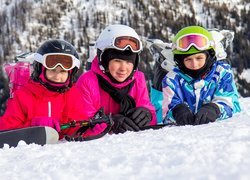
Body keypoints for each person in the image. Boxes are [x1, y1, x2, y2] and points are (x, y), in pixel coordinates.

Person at [76, 24, 156, 135]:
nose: (123, 69)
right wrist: (110, 123)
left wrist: (147, 114)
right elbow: (81, 124)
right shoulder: (87, 82)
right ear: (104, 60)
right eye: (117, 61)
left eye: (129, 62)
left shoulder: (138, 79)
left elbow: (147, 108)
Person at [0, 39, 89, 139]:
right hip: (30, 152)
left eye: (63, 71)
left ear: (70, 73)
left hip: (64, 153)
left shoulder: (73, 95)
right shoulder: (22, 96)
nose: (57, 76)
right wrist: (33, 125)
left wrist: (91, 129)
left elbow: (78, 126)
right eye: (52, 70)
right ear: (41, 69)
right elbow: (5, 130)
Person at [162, 25, 241, 125]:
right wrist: (177, 111)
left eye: (199, 58)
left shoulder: (221, 72)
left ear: (209, 56)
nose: (194, 64)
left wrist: (215, 109)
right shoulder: (172, 79)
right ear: (180, 61)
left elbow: (233, 103)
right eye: (188, 59)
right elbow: (165, 112)